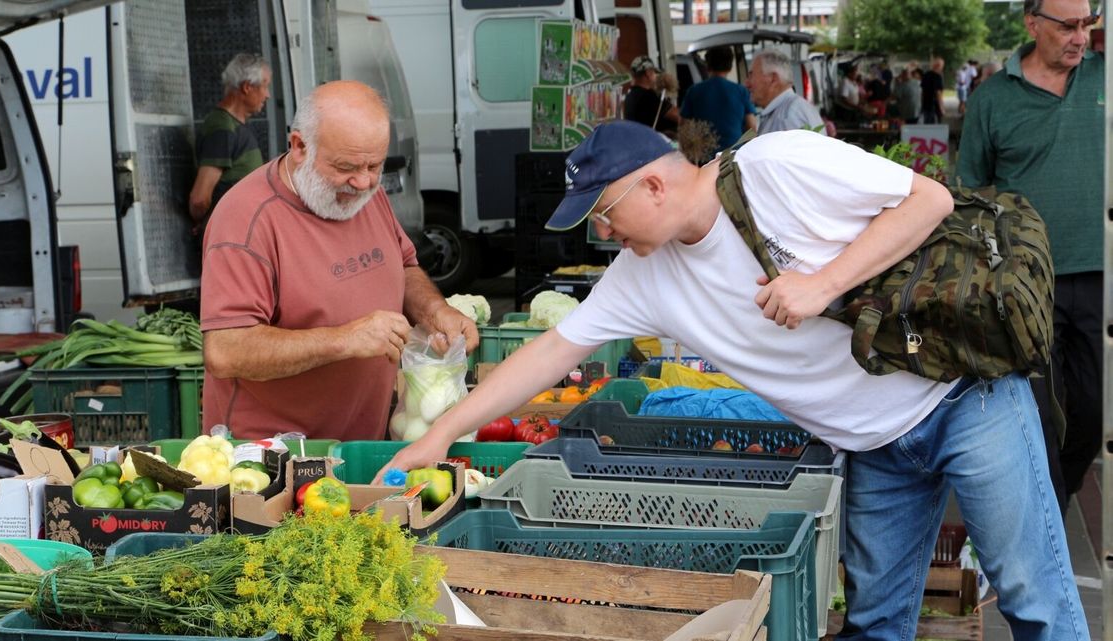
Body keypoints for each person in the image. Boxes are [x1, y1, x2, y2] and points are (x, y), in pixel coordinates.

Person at [377, 120, 1090, 641]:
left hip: (962, 400)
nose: (604, 235)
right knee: (876, 623)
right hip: (874, 446)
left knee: (1034, 598)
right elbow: (551, 353)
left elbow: (929, 199)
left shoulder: (778, 165)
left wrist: (822, 284)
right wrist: (440, 432)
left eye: (604, 215)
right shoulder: (640, 276)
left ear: (652, 183)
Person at [199, 81, 479, 440]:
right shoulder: (245, 219)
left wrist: (435, 312)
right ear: (299, 145)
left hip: (361, 443)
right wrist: (345, 339)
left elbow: (405, 267)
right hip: (273, 460)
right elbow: (225, 351)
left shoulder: (363, 194)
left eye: (374, 166)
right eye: (346, 166)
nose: (363, 182)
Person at [956, 0, 1104, 515]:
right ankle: (1049, 531)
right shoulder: (993, 99)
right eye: (1068, 25)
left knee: (1093, 411)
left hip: (1101, 276)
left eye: (1089, 23)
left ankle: (1054, 503)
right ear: (1032, 23)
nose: (1080, 37)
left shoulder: (1105, 80)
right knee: (1038, 415)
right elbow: (969, 193)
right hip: (1025, 283)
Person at [188, 53, 271, 230]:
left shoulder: (233, 127)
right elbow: (199, 199)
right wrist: (208, 225)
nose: (268, 95)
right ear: (247, 87)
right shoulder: (222, 128)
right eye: (265, 86)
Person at [679, 46, 757, 149]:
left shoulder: (694, 91)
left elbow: (684, 126)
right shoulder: (741, 91)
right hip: (733, 155)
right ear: (730, 66)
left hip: (703, 155)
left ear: (707, 65)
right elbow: (751, 128)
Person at [746, 48, 823, 134]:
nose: (747, 84)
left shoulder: (788, 116)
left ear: (772, 79)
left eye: (751, 75)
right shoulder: (790, 110)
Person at [623, 55, 679, 136]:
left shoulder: (630, 95)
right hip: (655, 143)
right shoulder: (648, 97)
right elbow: (679, 116)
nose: (656, 76)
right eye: (654, 72)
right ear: (648, 73)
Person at [920, 57, 945, 123]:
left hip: (926, 105)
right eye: (942, 66)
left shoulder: (925, 75)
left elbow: (922, 92)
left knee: (927, 126)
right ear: (938, 66)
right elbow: (938, 93)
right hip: (934, 107)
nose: (942, 68)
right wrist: (941, 108)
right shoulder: (938, 77)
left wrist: (922, 104)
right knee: (935, 127)